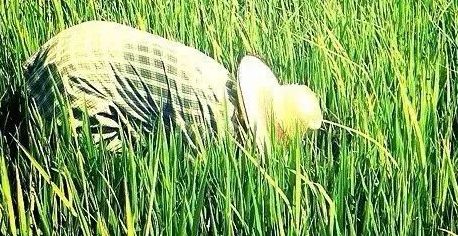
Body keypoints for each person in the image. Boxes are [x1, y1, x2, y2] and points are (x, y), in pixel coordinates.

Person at [23, 20, 323, 154]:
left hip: (82, 38)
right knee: (105, 177)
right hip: (78, 78)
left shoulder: (219, 78)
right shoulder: (214, 127)